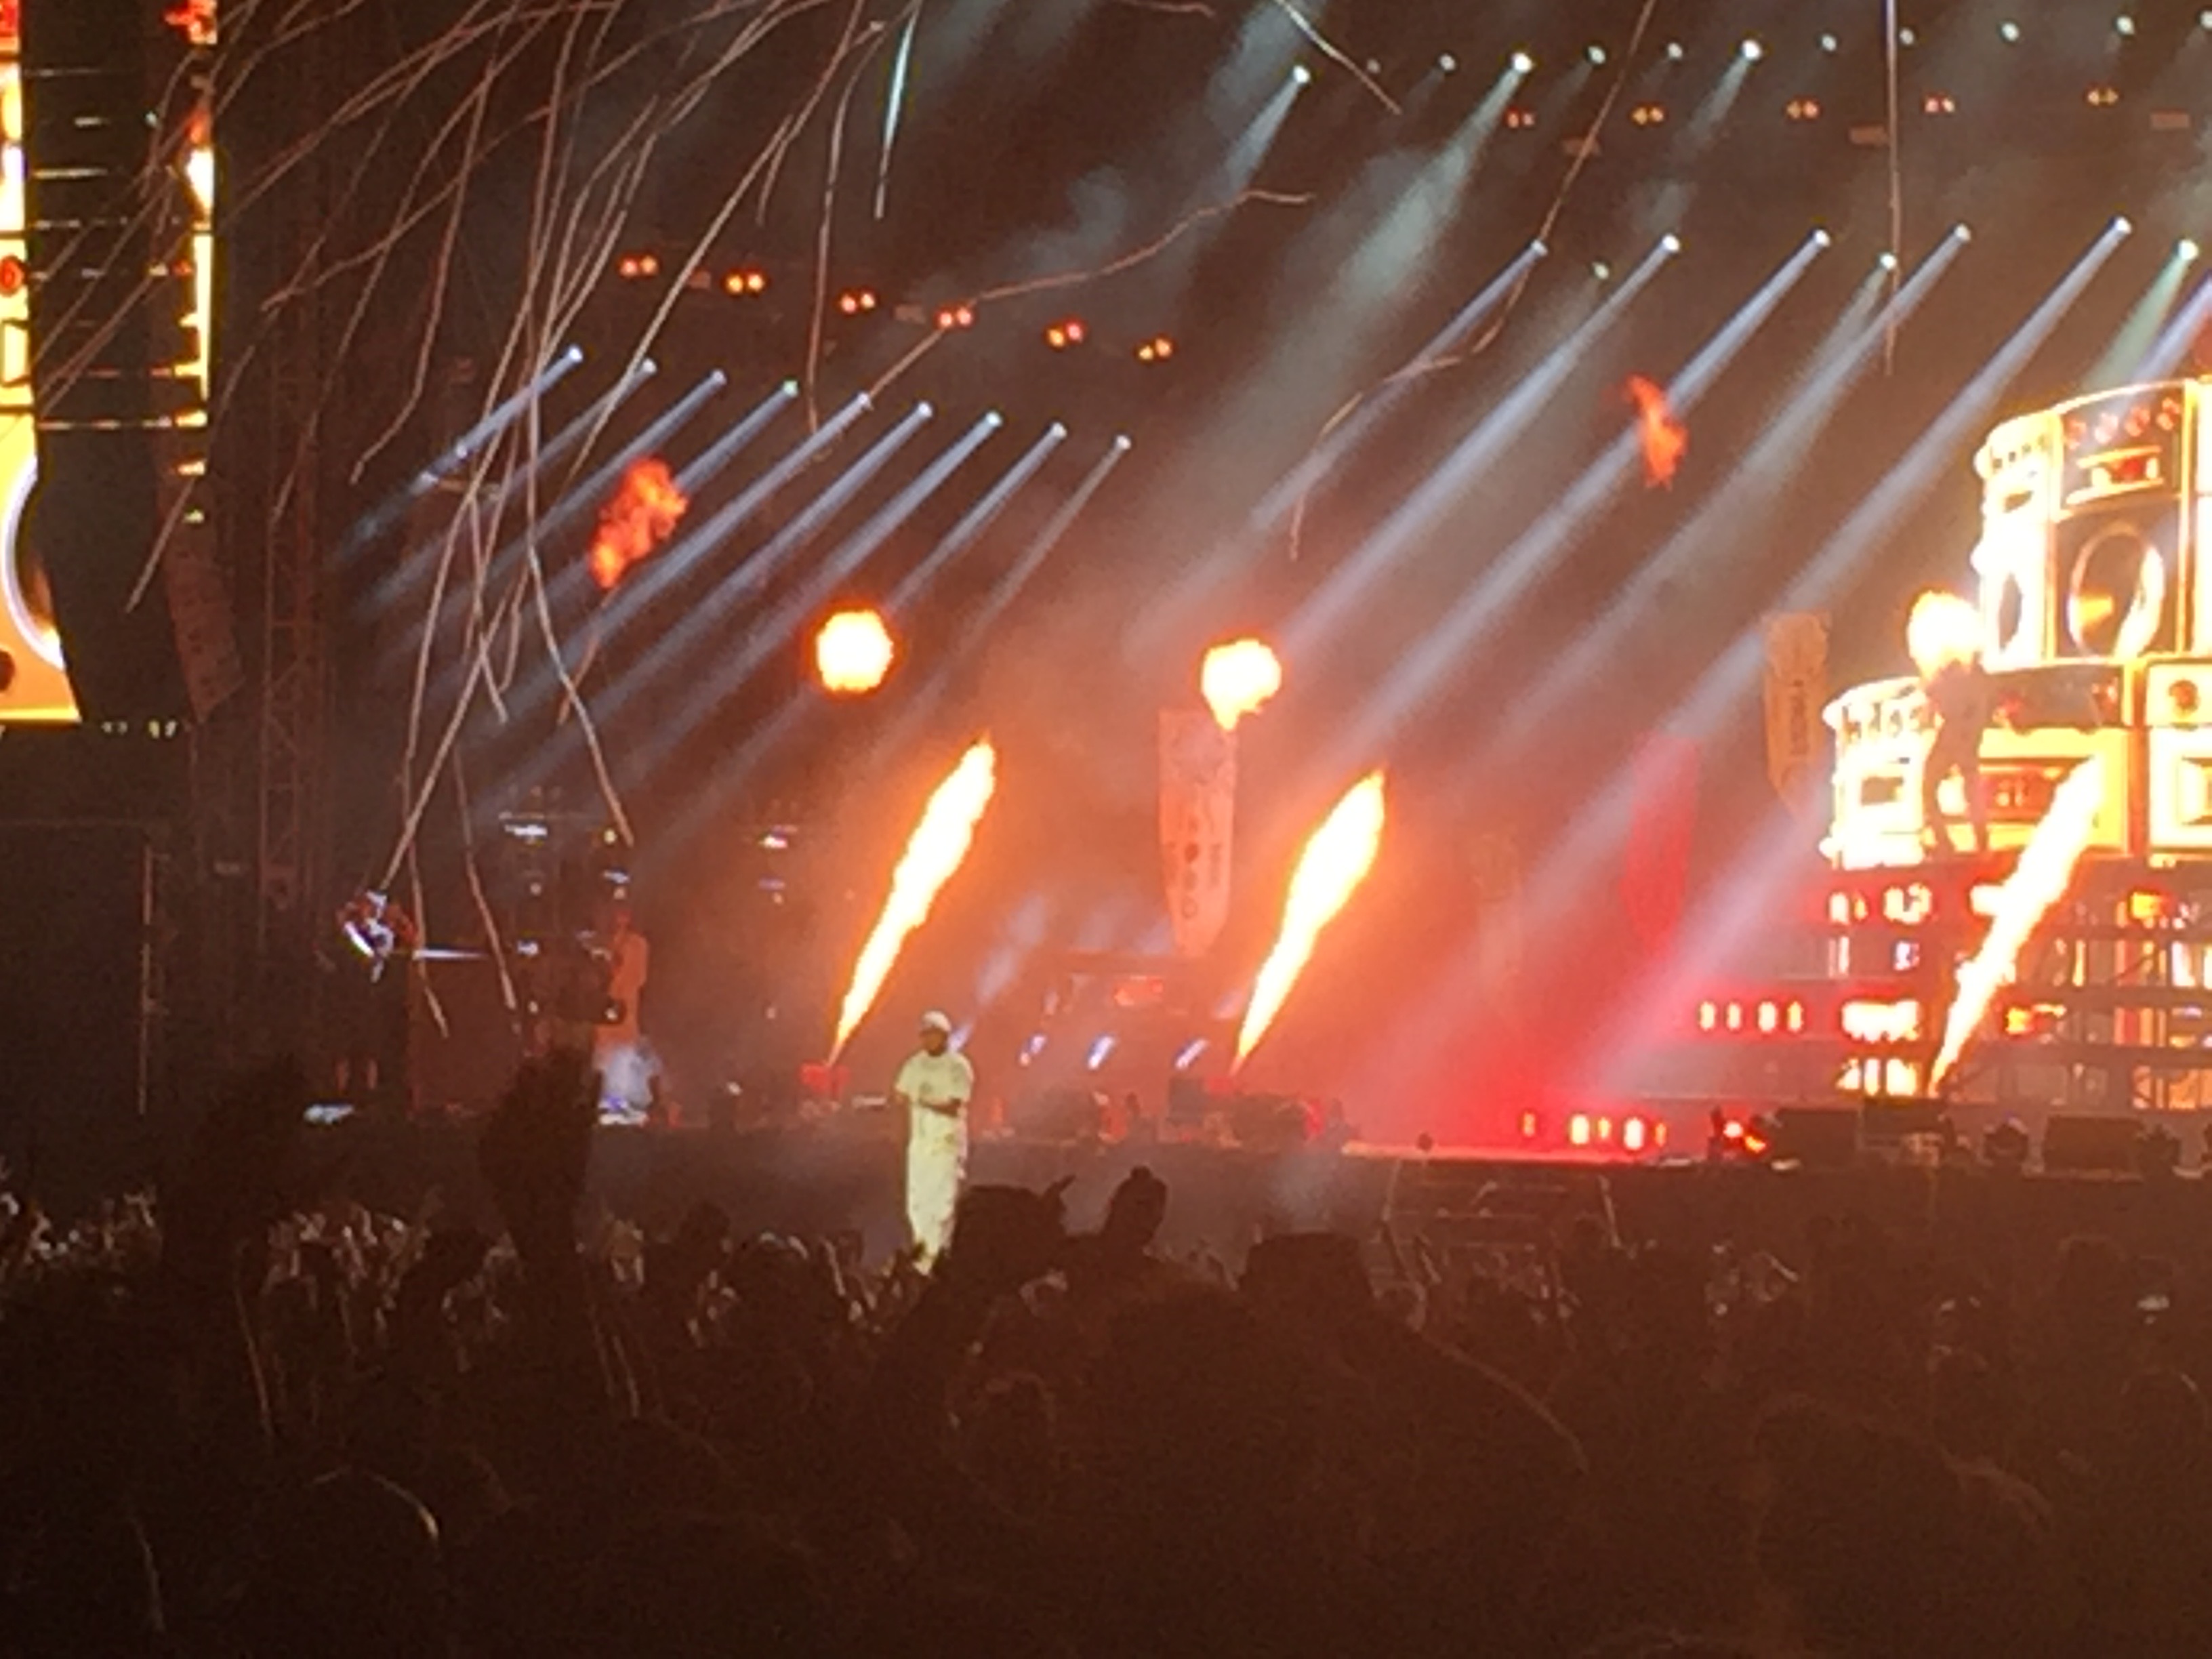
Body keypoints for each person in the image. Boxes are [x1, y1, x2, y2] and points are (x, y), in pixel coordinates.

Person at [892, 1010, 974, 1264]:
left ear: (945, 1036)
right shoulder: (914, 1064)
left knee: (942, 1205)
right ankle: (921, 1258)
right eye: (925, 1035)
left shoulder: (958, 1066)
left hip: (946, 1146)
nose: (928, 1039)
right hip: (921, 1145)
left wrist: (923, 1101)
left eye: (934, 1034)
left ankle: (940, 1259)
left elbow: (954, 1105)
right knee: (918, 1203)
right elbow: (900, 1093)